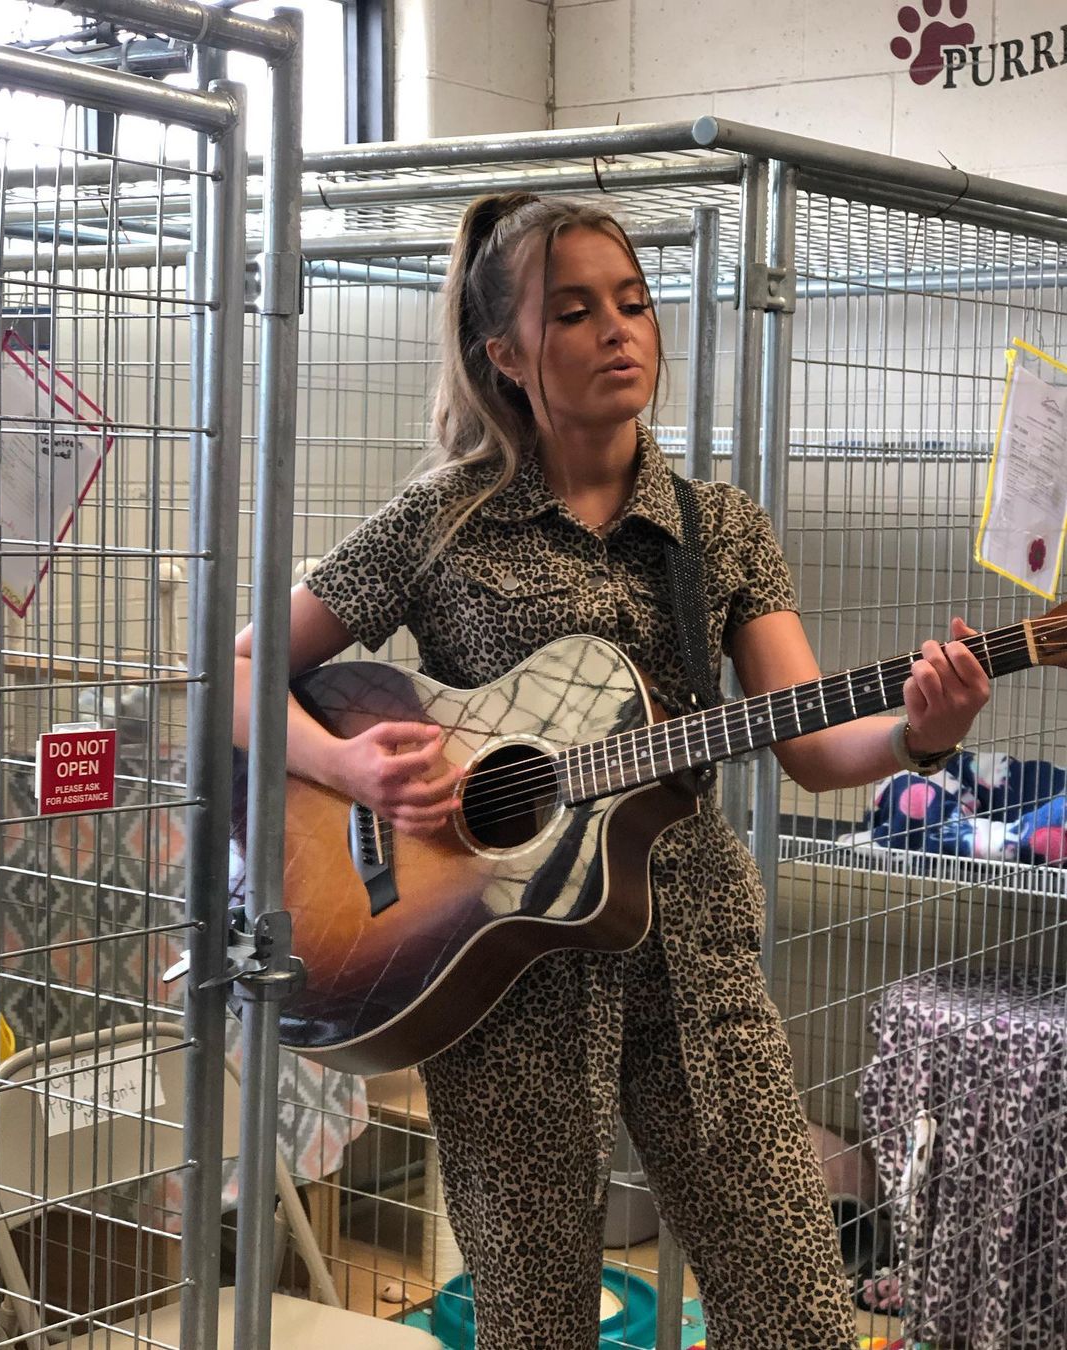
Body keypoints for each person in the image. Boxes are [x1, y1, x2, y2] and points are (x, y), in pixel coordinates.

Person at [233, 192, 989, 1349]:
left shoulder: (717, 529)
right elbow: (236, 679)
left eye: (632, 303)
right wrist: (351, 764)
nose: (618, 331)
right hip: (495, 979)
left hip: (695, 970)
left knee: (798, 1313)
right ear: (507, 355)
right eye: (575, 312)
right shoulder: (439, 523)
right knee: (537, 1329)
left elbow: (813, 746)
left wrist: (920, 734)